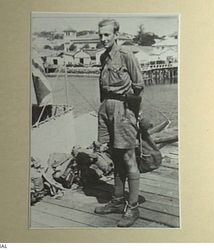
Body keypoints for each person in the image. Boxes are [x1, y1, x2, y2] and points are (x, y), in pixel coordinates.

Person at [94, 19, 145, 227]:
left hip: (122, 110)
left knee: (128, 157)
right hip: (106, 109)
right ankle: (116, 200)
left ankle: (132, 207)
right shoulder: (103, 57)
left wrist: (128, 107)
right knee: (114, 154)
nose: (103, 38)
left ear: (116, 34)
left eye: (107, 34)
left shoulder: (126, 55)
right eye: (101, 35)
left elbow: (139, 85)